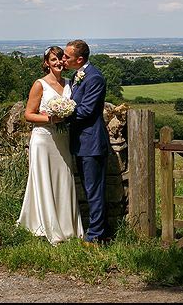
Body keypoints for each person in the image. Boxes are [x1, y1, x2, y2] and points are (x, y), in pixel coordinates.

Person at [17, 46, 84, 245]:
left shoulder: (70, 84)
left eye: (60, 58)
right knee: (44, 179)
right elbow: (28, 114)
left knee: (64, 178)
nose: (58, 62)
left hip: (63, 139)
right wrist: (50, 119)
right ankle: (43, 224)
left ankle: (67, 226)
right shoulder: (40, 84)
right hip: (43, 139)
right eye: (53, 59)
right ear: (46, 63)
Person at [63, 39, 109, 244]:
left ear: (79, 59)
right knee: (88, 188)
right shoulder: (77, 75)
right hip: (81, 143)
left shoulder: (94, 78)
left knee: (94, 190)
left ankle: (96, 235)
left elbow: (86, 110)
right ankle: (97, 231)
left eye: (67, 56)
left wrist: (60, 115)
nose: (63, 59)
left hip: (92, 143)